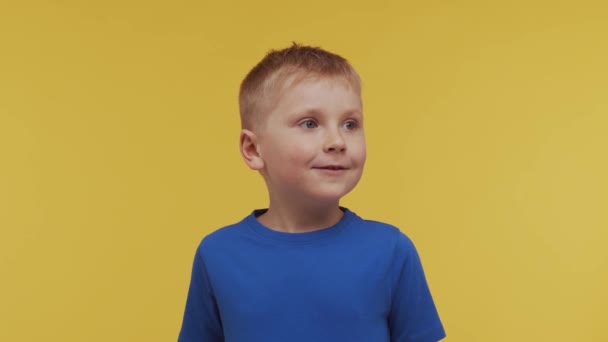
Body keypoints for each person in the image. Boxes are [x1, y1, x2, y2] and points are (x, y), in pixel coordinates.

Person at [178, 43, 446, 342]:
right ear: (253, 149)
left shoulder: (392, 250)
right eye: (310, 123)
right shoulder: (217, 253)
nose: (337, 141)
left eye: (350, 124)